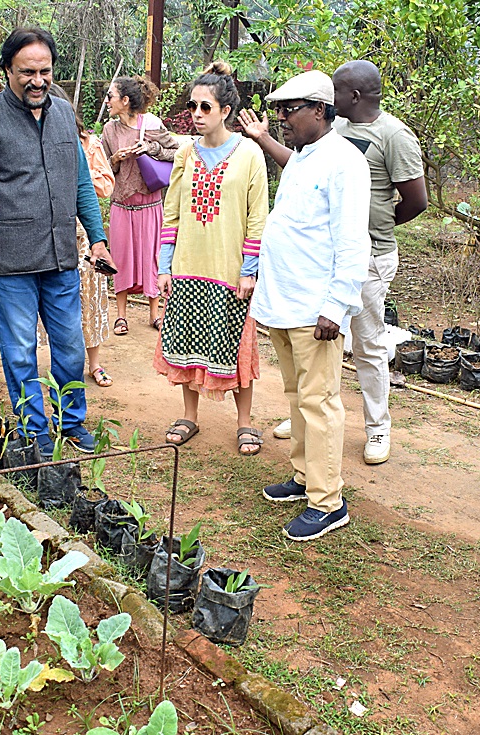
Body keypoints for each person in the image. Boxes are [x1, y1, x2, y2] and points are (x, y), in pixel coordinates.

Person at [250, 61, 428, 463]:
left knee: (366, 344)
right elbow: (303, 169)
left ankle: (377, 427)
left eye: (337, 88)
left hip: (368, 254)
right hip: (326, 257)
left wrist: (373, 224)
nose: (330, 93)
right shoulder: (331, 133)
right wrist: (263, 138)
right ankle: (307, 418)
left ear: (354, 96)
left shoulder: (393, 135)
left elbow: (416, 201)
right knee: (316, 358)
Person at [0, 28, 116, 456]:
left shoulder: (63, 113)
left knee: (70, 347)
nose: (37, 81)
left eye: (44, 71)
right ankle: (34, 430)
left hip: (61, 256)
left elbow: (80, 181)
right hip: (11, 261)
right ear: (7, 70)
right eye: (27, 72)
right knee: (21, 352)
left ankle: (71, 422)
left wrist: (98, 238)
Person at [244, 70, 370, 541]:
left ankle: (327, 501)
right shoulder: (303, 156)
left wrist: (335, 307)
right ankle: (304, 476)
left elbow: (352, 242)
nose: (281, 119)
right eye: (279, 111)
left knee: (319, 402)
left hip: (316, 308)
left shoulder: (344, 162)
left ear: (319, 110)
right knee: (297, 396)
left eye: (289, 110)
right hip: (286, 302)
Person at [153, 62, 269, 456]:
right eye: (193, 106)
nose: (197, 114)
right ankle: (190, 416)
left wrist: (249, 271)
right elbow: (171, 213)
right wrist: (165, 266)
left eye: (206, 107)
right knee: (186, 342)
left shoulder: (249, 153)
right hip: (188, 268)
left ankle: (244, 423)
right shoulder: (185, 153)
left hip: (230, 272)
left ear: (225, 110)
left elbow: (257, 217)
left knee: (236, 346)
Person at [48, 84, 117, 388]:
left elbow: (106, 185)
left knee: (90, 298)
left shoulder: (89, 143)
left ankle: (95, 364)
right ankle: (63, 366)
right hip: (49, 233)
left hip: (84, 236)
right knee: (55, 300)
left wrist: (78, 175)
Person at [100, 76, 180, 336]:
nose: (107, 101)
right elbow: (102, 168)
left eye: (110, 96)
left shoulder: (152, 124)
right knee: (120, 259)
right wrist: (115, 158)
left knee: (152, 258)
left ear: (125, 100)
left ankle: (155, 314)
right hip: (121, 205)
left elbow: (177, 152)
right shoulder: (109, 130)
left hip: (150, 205)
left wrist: (150, 148)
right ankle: (121, 316)